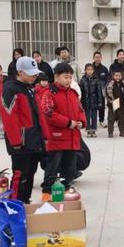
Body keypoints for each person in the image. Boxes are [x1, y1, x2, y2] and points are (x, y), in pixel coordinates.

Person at [1, 56, 47, 204]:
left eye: (35, 73)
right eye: (30, 73)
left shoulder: (30, 89)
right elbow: (9, 118)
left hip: (34, 139)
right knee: (20, 174)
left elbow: (39, 115)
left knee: (30, 173)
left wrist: (44, 135)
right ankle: (16, 203)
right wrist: (16, 141)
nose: (34, 76)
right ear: (20, 72)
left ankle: (25, 200)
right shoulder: (11, 89)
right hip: (20, 142)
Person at [39, 63, 87, 202]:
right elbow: (48, 113)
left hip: (72, 137)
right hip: (57, 138)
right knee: (52, 167)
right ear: (56, 77)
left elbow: (80, 110)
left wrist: (81, 122)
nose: (68, 80)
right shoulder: (49, 93)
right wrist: (67, 123)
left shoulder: (73, 93)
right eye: (65, 77)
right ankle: (47, 192)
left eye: (70, 77)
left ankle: (66, 189)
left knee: (70, 168)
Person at [80, 63, 103, 138]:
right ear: (85, 70)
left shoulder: (96, 79)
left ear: (93, 70)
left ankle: (93, 130)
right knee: (87, 116)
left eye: (91, 69)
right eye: (88, 69)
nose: (89, 71)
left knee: (94, 116)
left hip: (94, 101)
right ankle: (88, 130)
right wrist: (80, 102)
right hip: (86, 101)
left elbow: (99, 91)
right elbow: (80, 92)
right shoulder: (82, 80)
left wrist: (100, 101)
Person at [106, 70, 124, 138]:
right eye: (116, 76)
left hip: (121, 104)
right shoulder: (111, 83)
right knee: (111, 119)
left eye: (119, 76)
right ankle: (110, 132)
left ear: (121, 76)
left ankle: (122, 131)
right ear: (113, 76)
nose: (118, 77)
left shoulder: (123, 83)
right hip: (113, 103)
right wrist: (112, 100)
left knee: (121, 118)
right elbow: (108, 92)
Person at [92, 51, 110, 128]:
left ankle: (101, 120)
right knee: (93, 107)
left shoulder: (104, 69)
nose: (97, 59)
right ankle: (93, 122)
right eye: (96, 57)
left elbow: (108, 80)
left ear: (101, 58)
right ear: (93, 58)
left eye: (99, 57)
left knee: (102, 107)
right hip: (92, 91)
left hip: (102, 91)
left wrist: (105, 88)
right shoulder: (90, 68)